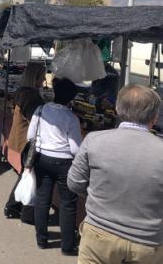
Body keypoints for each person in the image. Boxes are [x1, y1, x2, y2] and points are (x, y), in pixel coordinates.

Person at [68, 85, 163, 264]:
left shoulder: (94, 140)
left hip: (99, 234)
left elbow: (74, 183)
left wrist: (98, 195)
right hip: (148, 243)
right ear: (154, 116)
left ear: (117, 110)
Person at [28, 77, 81, 255]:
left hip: (42, 159)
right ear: (71, 99)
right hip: (64, 163)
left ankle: (41, 239)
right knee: (68, 204)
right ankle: (67, 245)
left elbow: (30, 136)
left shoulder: (41, 109)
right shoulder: (71, 118)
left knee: (43, 200)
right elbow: (75, 148)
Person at [4, 62, 46, 221]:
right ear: (35, 77)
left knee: (26, 173)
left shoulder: (23, 91)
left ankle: (14, 207)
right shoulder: (31, 95)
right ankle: (15, 207)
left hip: (22, 138)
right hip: (27, 140)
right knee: (27, 174)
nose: (43, 80)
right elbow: (35, 120)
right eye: (42, 77)